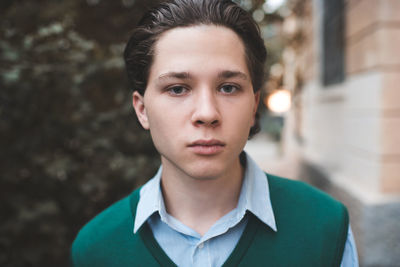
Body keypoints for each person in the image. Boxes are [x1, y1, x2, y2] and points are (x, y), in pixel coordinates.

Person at [71, 0, 358, 266]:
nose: (207, 113)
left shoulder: (325, 227)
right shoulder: (96, 248)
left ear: (254, 105)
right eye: (178, 89)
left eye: (228, 87)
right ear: (142, 109)